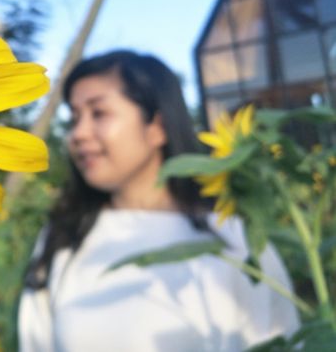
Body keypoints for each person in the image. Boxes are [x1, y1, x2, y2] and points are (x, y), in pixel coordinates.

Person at [17, 50, 299, 352]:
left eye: (98, 113)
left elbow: (281, 339)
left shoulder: (236, 240)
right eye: (74, 118)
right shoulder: (64, 235)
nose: (78, 134)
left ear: (158, 127)